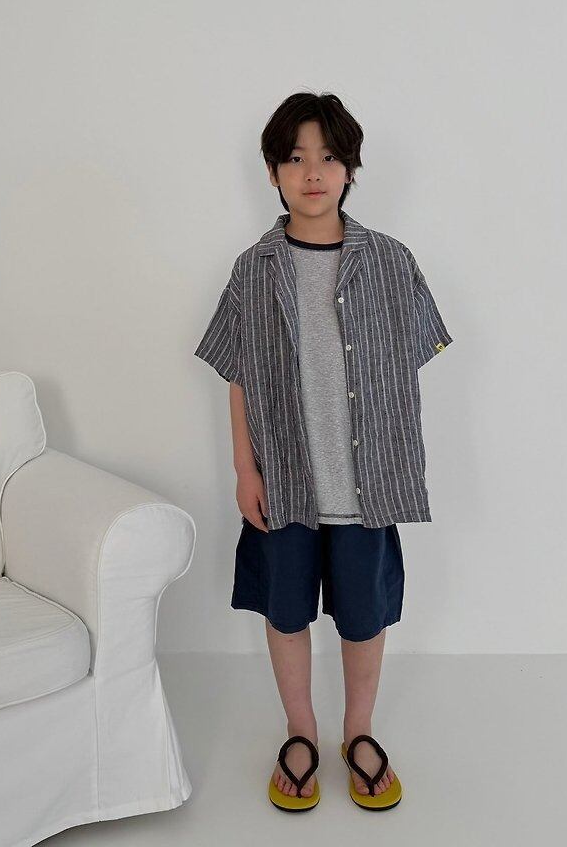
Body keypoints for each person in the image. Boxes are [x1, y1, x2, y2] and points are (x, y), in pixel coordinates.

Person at [194, 91, 453, 812]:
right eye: (295, 158)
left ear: (350, 170)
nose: (313, 172)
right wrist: (245, 468)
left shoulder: (392, 262)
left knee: (364, 616)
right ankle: (301, 732)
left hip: (367, 483)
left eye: (329, 157)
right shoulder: (253, 269)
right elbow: (238, 373)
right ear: (273, 172)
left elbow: (408, 361)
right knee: (286, 612)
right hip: (285, 480)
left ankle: (358, 731)